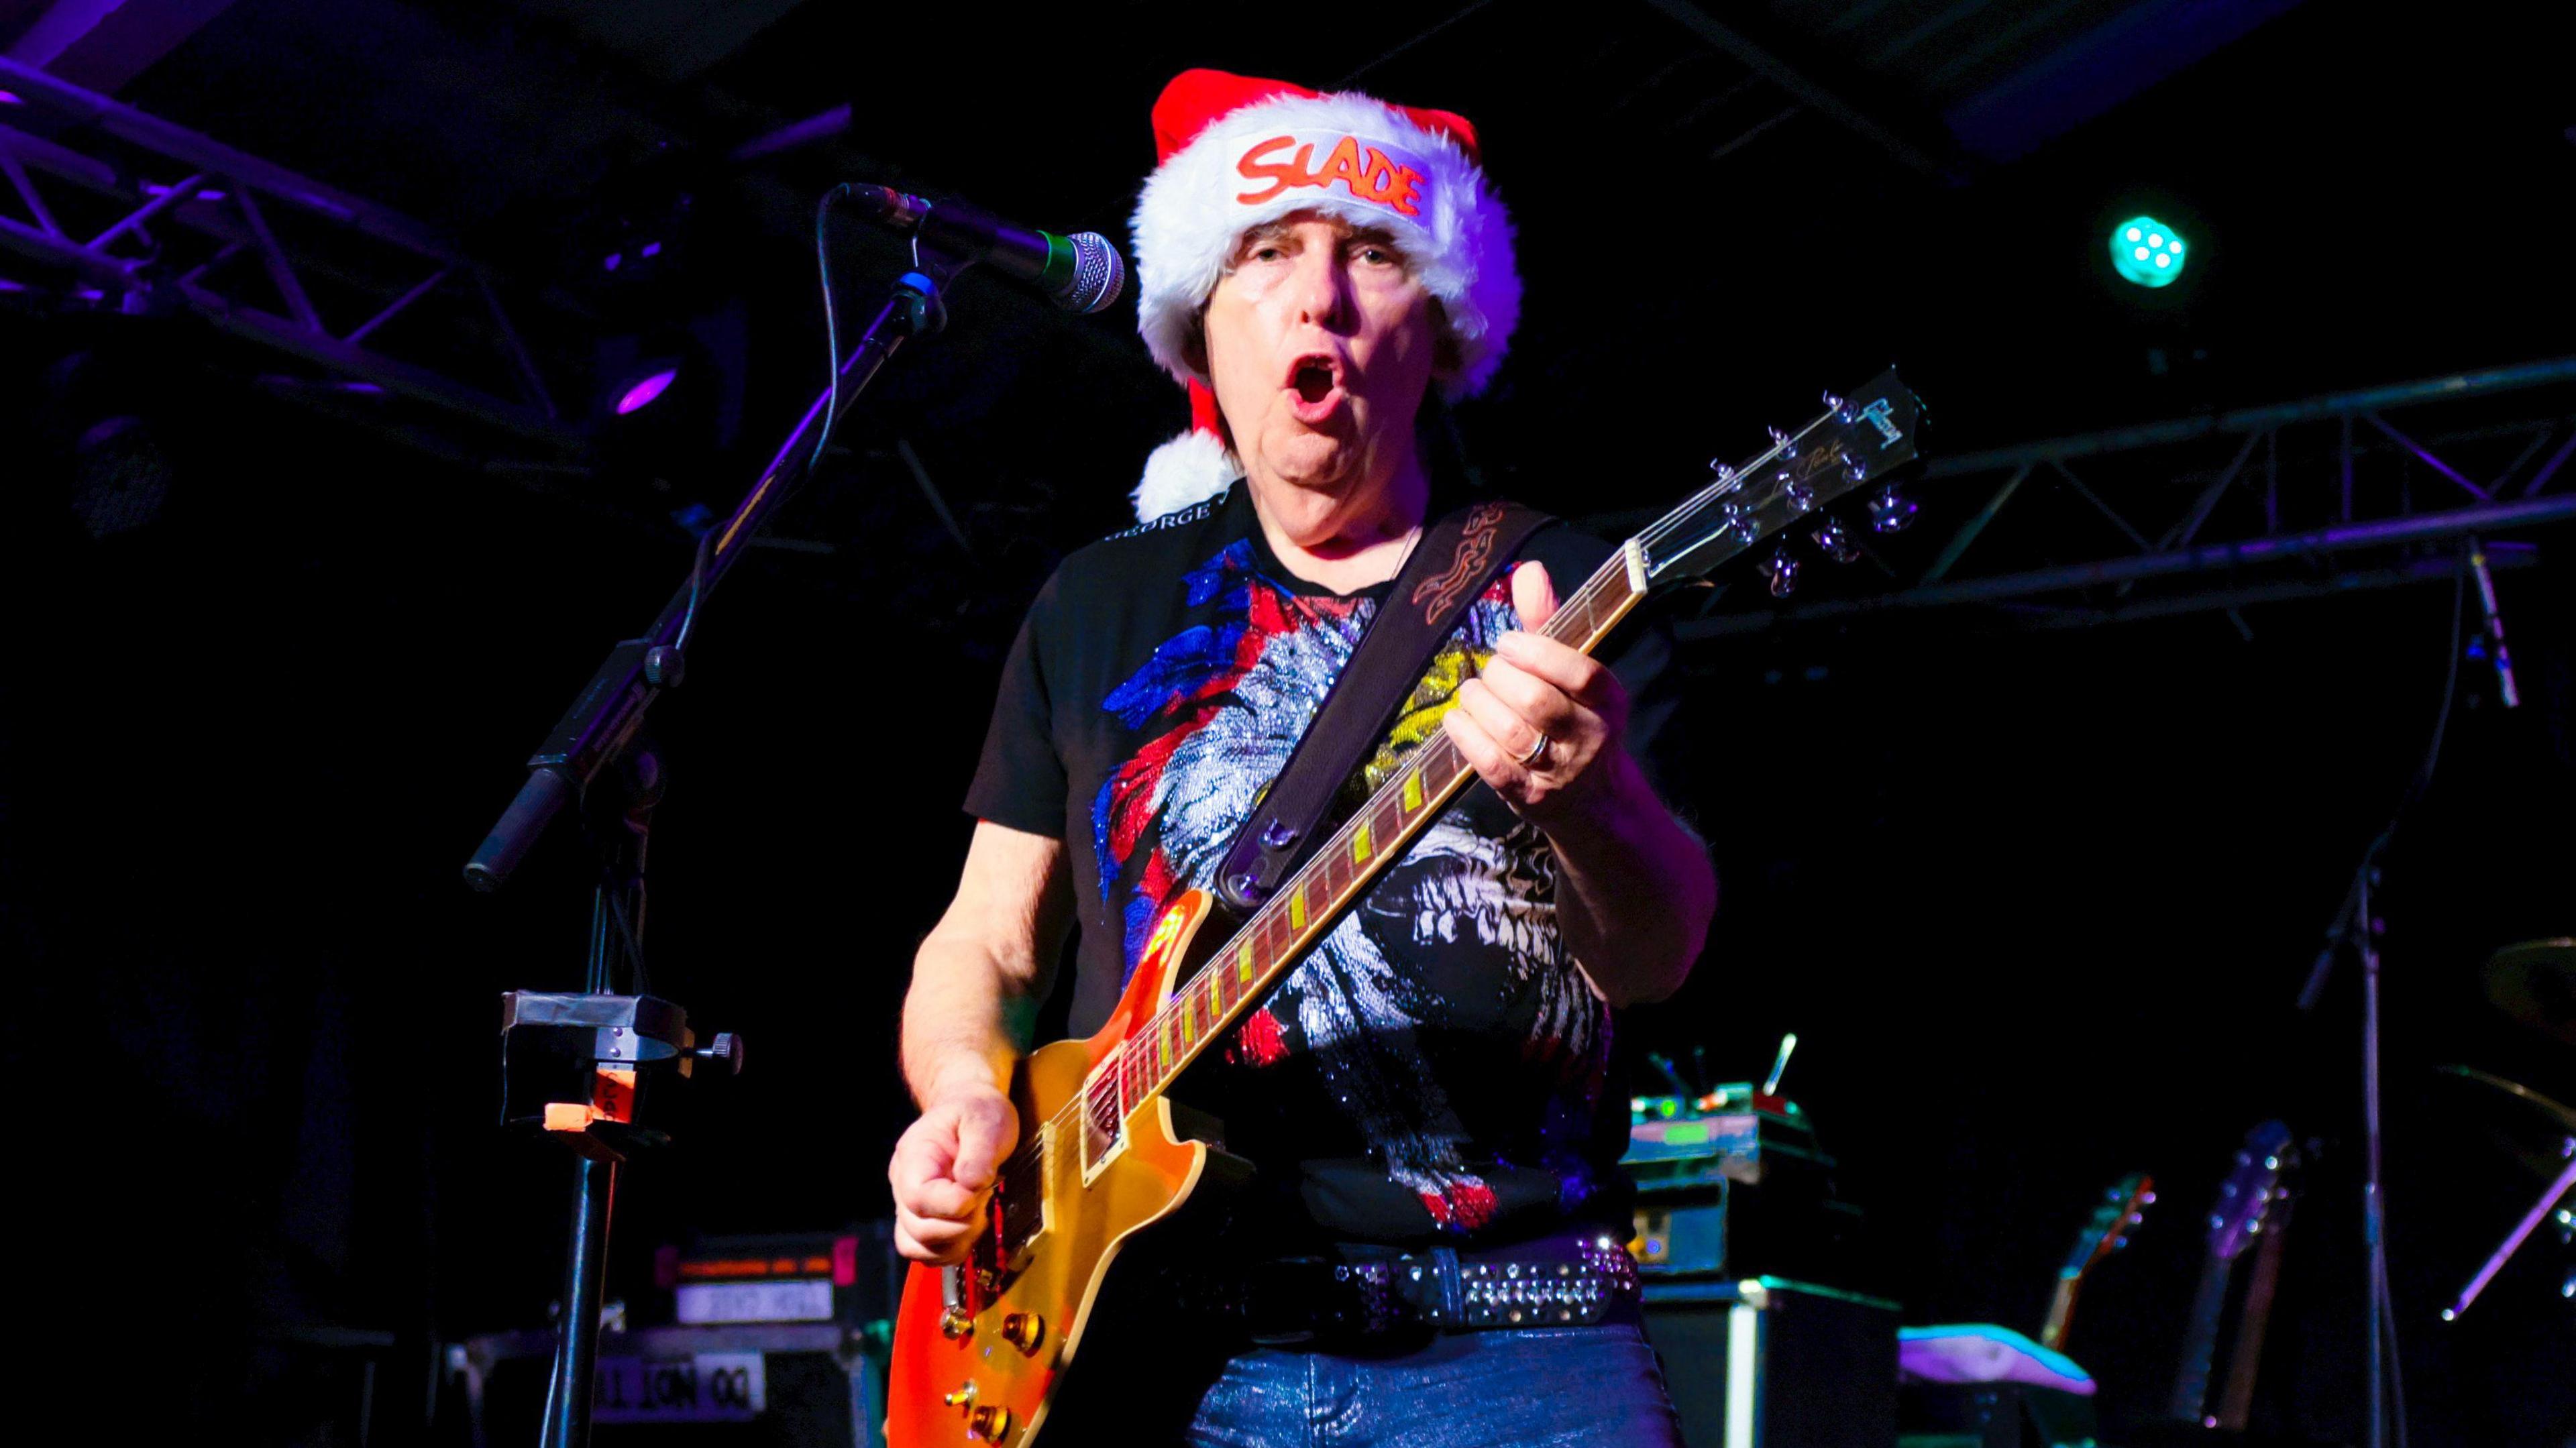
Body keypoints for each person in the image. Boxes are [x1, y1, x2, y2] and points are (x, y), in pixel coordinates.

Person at [888, 68, 1717, 1444]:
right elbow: (986, 940)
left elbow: (1655, 956)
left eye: (1373, 255)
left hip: (1517, 1344)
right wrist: (967, 1098)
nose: (1318, 296)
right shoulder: (1095, 605)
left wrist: (1595, 795)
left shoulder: (1564, 587)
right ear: (1198, 327)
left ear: (1442, 333)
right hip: (1150, 1345)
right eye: (1268, 253)